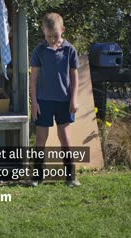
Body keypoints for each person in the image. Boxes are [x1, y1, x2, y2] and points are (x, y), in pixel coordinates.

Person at [29, 13, 81, 187]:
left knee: (65, 138)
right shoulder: (39, 50)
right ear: (43, 31)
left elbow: (75, 78)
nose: (52, 39)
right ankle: (37, 177)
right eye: (48, 36)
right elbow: (33, 79)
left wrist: (74, 99)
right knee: (40, 140)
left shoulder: (70, 50)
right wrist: (34, 102)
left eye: (55, 36)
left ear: (63, 30)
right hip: (43, 101)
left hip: (64, 102)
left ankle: (71, 177)